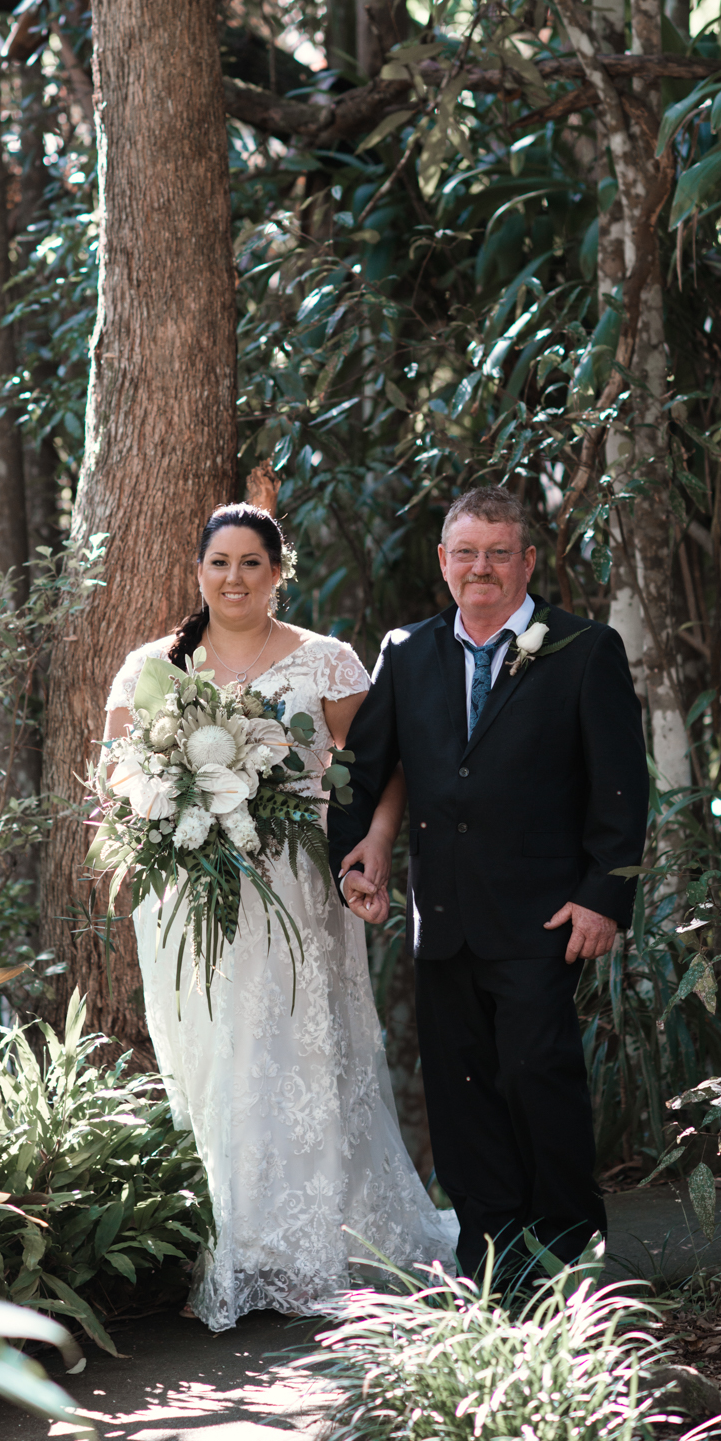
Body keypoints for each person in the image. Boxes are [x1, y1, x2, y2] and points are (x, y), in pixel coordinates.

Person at [101, 502, 457, 1331]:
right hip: (190, 893)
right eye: (219, 563)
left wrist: (371, 844)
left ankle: (316, 1245)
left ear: (277, 572)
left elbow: (382, 769)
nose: (234, 578)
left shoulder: (325, 662)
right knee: (216, 1057)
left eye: (251, 563)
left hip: (297, 889)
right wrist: (171, 805)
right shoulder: (153, 667)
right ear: (198, 571)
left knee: (303, 1052)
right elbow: (115, 776)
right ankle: (235, 1242)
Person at [328, 486, 648, 1284]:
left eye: (499, 553)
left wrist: (604, 896)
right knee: (460, 1091)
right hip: (441, 915)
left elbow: (621, 789)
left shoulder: (585, 649)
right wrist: (352, 857)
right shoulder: (408, 650)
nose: (482, 568)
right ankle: (491, 1253)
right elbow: (361, 770)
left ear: (527, 561)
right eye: (466, 553)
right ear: (443, 561)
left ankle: (568, 1251)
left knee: (539, 1075)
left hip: (545, 915)